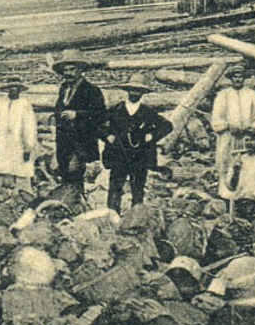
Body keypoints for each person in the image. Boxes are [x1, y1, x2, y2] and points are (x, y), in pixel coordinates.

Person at [102, 80, 174, 213]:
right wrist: (107, 136)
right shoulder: (115, 110)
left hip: (141, 156)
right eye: (132, 90)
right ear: (127, 91)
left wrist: (152, 135)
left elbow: (167, 126)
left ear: (143, 93)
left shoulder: (148, 112)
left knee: (138, 188)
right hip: (119, 154)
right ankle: (112, 216)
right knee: (115, 186)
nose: (135, 93)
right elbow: (98, 125)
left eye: (138, 91)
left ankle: (136, 218)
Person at [51, 50, 107, 209]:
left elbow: (100, 115)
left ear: (80, 70)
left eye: (72, 69)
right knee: (65, 174)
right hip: (64, 142)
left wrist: (78, 115)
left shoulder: (92, 90)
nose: (68, 73)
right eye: (65, 70)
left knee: (76, 173)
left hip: (82, 142)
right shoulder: (63, 88)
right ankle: (68, 206)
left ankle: (80, 207)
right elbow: (58, 109)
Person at [211, 67, 255, 198]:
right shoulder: (223, 95)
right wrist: (227, 125)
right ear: (231, 78)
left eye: (240, 76)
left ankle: (246, 194)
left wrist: (254, 127)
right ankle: (225, 194)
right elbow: (216, 118)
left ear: (244, 78)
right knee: (226, 162)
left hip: (246, 136)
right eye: (235, 76)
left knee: (247, 163)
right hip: (228, 136)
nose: (237, 79)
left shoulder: (252, 95)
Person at [0, 76, 40, 199]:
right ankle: (5, 195)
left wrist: (29, 146)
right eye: (11, 88)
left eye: (16, 88)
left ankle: (24, 197)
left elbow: (30, 127)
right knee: (4, 168)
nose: (13, 90)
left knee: (21, 170)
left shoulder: (25, 104)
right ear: (7, 89)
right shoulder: (0, 102)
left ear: (20, 89)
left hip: (20, 142)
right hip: (4, 141)